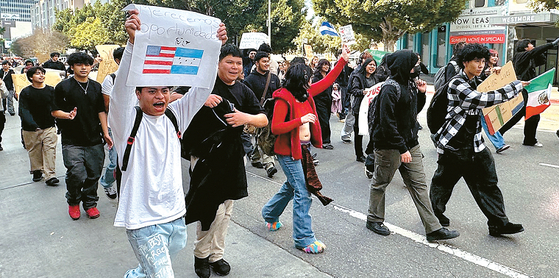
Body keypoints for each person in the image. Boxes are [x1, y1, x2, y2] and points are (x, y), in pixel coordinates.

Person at [112, 10, 227, 278]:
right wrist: (132, 45)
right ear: (138, 93)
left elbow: (201, 89)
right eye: (151, 91)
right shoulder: (127, 122)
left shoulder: (175, 117)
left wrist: (214, 50)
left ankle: (138, 274)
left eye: (164, 90)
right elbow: (119, 92)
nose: (160, 96)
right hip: (143, 219)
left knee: (165, 256)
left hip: (175, 214)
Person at [183, 44, 268, 278]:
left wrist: (245, 117)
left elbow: (263, 118)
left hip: (232, 154)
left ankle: (216, 255)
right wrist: (199, 97)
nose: (234, 67)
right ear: (218, 63)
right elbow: (171, 97)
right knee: (211, 208)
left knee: (227, 208)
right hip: (204, 155)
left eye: (238, 63)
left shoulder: (243, 89)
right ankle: (200, 255)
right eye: (229, 62)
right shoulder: (203, 83)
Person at [430, 43, 525, 236]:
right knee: (444, 183)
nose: (481, 65)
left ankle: (499, 222)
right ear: (465, 62)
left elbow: (487, 86)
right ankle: (433, 215)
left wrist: (496, 74)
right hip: (454, 144)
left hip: (475, 144)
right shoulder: (457, 83)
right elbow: (480, 99)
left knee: (488, 183)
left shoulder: (476, 79)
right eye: (476, 61)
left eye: (483, 61)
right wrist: (513, 87)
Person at [261, 46, 349, 254]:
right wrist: (300, 120)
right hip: (287, 152)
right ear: (301, 79)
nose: (311, 81)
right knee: (303, 191)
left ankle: (269, 213)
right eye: (308, 78)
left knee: (292, 187)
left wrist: (343, 61)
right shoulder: (284, 97)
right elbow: (276, 127)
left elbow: (327, 82)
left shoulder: (306, 93)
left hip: (303, 150)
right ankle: (303, 238)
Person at [366, 50, 460, 242]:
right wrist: (402, 149)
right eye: (414, 63)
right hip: (389, 146)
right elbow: (387, 122)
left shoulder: (409, 84)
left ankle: (433, 228)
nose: (417, 66)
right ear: (404, 65)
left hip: (410, 143)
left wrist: (422, 95)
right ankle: (373, 219)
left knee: (419, 185)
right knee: (380, 182)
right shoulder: (390, 88)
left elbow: (411, 113)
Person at [51, 51, 112, 220]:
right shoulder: (63, 87)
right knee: (76, 173)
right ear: (72, 67)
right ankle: (73, 201)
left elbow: (101, 110)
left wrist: (106, 133)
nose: (84, 68)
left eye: (87, 64)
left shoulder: (96, 87)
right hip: (72, 140)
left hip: (94, 138)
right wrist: (67, 115)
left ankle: (90, 203)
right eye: (79, 64)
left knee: (94, 173)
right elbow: (54, 111)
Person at [499, 38, 559, 147]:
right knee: (520, 114)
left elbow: (542, 60)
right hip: (522, 89)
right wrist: (551, 44)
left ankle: (529, 139)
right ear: (525, 47)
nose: (532, 45)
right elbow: (533, 53)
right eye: (530, 44)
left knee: (533, 114)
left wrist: (536, 51)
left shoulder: (529, 58)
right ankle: (499, 133)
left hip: (530, 89)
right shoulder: (520, 55)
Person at [19, 67, 59, 186]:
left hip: (49, 126)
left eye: (42, 73)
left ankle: (50, 175)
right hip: (31, 128)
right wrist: (32, 124)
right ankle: (37, 170)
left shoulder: (51, 90)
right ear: (31, 77)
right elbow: (23, 110)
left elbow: (56, 107)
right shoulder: (26, 92)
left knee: (50, 150)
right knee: (34, 151)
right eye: (37, 74)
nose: (41, 76)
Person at [244, 50, 281, 177]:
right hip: (257, 115)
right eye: (264, 61)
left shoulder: (274, 78)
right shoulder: (249, 80)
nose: (267, 64)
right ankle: (269, 164)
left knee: (262, 138)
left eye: (268, 61)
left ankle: (254, 156)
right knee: (264, 137)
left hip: (273, 114)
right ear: (257, 63)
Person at [99, 47, 125, 199]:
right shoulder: (111, 80)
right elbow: (106, 106)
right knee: (114, 162)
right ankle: (107, 183)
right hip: (114, 128)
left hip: (134, 127)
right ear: (118, 61)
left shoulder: (140, 78)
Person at [479, 49, 510, 154]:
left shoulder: (497, 69)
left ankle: (499, 144)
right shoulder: (483, 69)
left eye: (496, 56)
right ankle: (499, 144)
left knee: (488, 122)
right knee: (487, 122)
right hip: (480, 99)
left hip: (490, 99)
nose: (495, 58)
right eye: (493, 56)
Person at [349, 58, 378, 162]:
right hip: (360, 108)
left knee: (374, 130)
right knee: (359, 132)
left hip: (372, 108)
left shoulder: (376, 78)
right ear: (365, 65)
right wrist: (363, 92)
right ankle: (359, 154)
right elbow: (353, 90)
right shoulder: (358, 77)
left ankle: (370, 152)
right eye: (370, 65)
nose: (372, 67)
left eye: (374, 65)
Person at [341, 52, 373, 144]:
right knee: (352, 117)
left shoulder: (374, 75)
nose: (371, 66)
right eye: (366, 60)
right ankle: (346, 134)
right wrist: (362, 92)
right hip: (357, 99)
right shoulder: (357, 73)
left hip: (369, 101)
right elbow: (352, 88)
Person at [312, 59, 335, 149]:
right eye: (324, 65)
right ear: (320, 66)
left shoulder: (328, 75)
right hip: (319, 101)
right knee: (324, 121)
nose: (326, 67)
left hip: (328, 100)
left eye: (327, 65)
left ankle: (321, 139)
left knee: (325, 120)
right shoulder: (316, 77)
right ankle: (325, 141)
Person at [0, 77, 8, 151]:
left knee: (1, 125)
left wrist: (1, 85)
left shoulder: (1, 83)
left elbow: (5, 94)